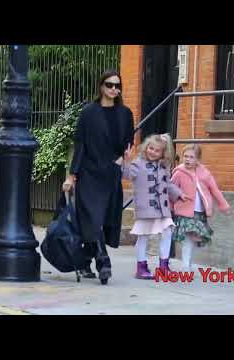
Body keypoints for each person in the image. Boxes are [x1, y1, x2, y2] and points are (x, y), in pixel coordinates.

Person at [62, 70, 134, 285]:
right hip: (89, 173)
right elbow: (80, 145)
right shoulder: (88, 112)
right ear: (101, 86)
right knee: (92, 217)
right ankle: (103, 261)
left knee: (104, 220)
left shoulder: (125, 113)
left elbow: (128, 142)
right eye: (110, 85)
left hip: (110, 173)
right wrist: (71, 175)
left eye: (117, 86)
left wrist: (122, 160)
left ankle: (84, 261)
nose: (114, 89)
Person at [122, 133, 188, 279]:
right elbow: (127, 175)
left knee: (167, 233)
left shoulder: (163, 166)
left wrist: (178, 193)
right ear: (146, 147)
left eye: (157, 150)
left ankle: (164, 266)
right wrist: (126, 161)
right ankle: (141, 267)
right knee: (143, 237)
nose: (152, 152)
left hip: (162, 209)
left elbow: (168, 184)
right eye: (150, 148)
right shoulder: (138, 163)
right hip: (146, 208)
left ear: (162, 153)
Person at [170, 144, 231, 271]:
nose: (187, 159)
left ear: (198, 159)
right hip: (184, 212)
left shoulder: (204, 173)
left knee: (193, 240)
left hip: (199, 212)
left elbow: (215, 190)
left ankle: (188, 264)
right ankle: (186, 267)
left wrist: (223, 205)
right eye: (185, 156)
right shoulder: (179, 172)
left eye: (191, 157)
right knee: (187, 239)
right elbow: (171, 189)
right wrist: (169, 207)